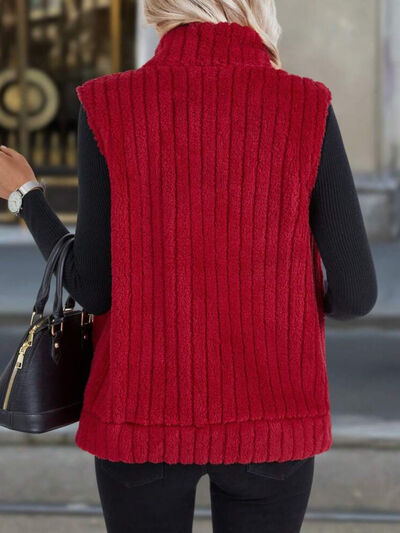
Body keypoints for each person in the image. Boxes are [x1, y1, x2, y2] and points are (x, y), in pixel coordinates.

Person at [0, 1, 378, 531]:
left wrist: (26, 197)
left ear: (159, 9)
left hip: (140, 419)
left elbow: (94, 288)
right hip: (274, 420)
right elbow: (357, 294)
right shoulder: (306, 104)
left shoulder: (108, 103)